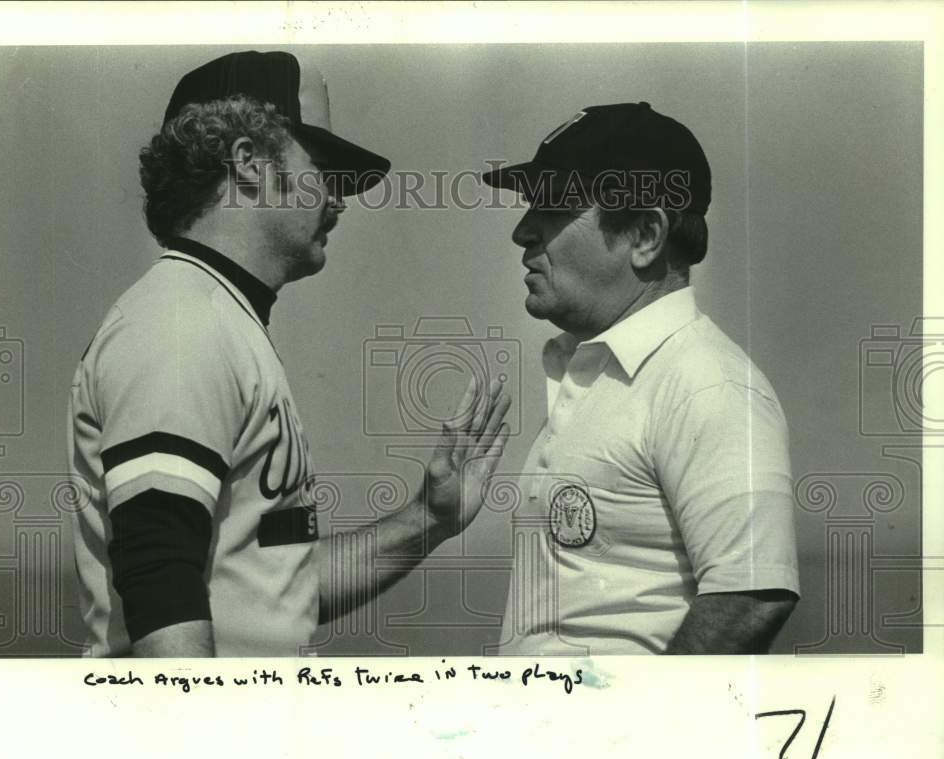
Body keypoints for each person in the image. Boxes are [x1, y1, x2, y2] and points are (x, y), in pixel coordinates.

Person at [67, 50, 510, 658]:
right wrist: (198, 751)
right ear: (249, 163)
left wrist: (427, 519)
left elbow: (276, 588)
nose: (340, 197)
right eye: (323, 167)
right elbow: (160, 579)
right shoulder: (180, 323)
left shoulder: (218, 316)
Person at [482, 102, 798, 654]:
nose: (522, 230)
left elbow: (750, 598)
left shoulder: (706, 384)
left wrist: (640, 732)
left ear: (646, 235)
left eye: (553, 204)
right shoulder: (604, 374)